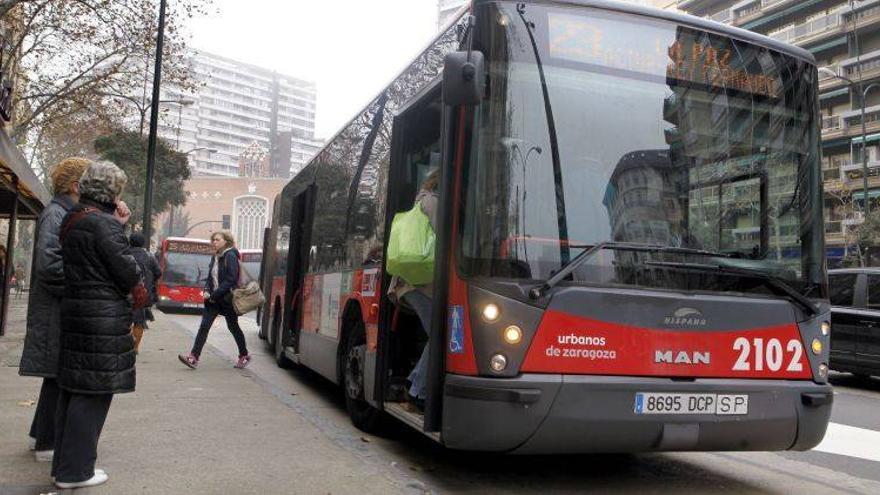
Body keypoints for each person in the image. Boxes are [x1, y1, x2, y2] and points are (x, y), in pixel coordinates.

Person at [52, 160, 142, 489]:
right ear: (113, 190)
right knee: (92, 394)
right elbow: (128, 272)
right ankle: (75, 472)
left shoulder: (74, 219)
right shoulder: (104, 225)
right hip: (101, 319)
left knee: (74, 391)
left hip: (77, 313)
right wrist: (121, 227)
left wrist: (116, 222)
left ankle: (64, 466)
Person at [19, 157, 90, 463]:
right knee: (58, 375)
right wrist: (81, 289)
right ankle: (46, 442)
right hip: (54, 311)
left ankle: (42, 435)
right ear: (76, 186)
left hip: (55, 309)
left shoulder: (62, 212)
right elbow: (50, 266)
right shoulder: (57, 214)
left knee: (55, 375)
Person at [389, 169, 439, 411]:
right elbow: (445, 241)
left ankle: (414, 383)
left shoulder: (420, 201)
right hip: (419, 282)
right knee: (440, 334)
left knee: (437, 333)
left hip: (409, 281)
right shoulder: (434, 203)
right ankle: (417, 392)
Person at [178, 230, 251, 369]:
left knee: (233, 326)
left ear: (226, 241)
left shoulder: (230, 256)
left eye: (217, 240)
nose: (214, 242)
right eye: (213, 240)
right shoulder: (216, 256)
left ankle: (244, 355)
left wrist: (214, 295)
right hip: (214, 299)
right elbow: (211, 277)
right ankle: (193, 357)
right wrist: (206, 290)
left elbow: (231, 280)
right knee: (204, 326)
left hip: (227, 299)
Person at [129, 232, 162, 353]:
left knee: (124, 318)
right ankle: (136, 346)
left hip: (125, 292)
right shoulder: (149, 256)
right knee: (139, 320)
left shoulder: (124, 253)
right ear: (143, 243)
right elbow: (158, 272)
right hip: (142, 293)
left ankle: (126, 341)